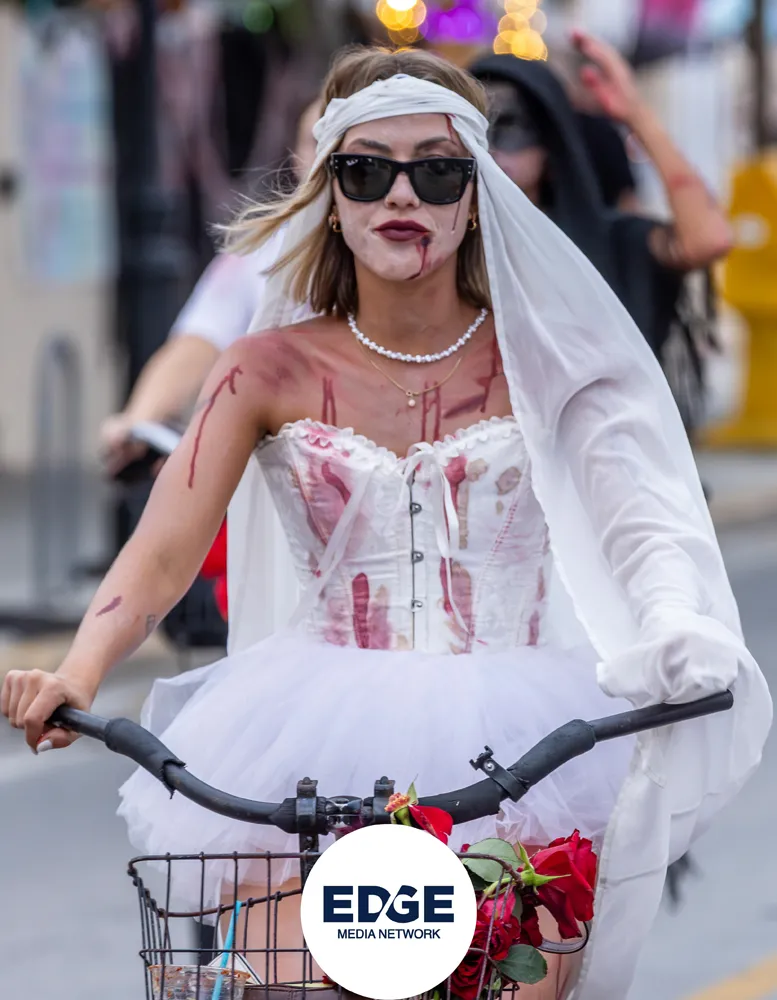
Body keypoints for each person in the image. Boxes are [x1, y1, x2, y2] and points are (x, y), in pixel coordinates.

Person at [2, 46, 769, 1000]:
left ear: (475, 195)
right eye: (366, 171)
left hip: (520, 752)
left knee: (515, 983)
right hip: (306, 744)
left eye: (437, 172)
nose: (401, 195)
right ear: (331, 195)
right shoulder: (261, 369)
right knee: (280, 984)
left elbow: (640, 521)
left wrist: (676, 625)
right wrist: (75, 673)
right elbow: (161, 556)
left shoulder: (551, 359)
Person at [470, 31, 732, 414]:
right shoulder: (448, 254)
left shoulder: (609, 243)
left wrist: (637, 114)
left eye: (512, 125)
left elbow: (707, 239)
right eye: (477, 128)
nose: (493, 148)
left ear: (551, 142)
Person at [100, 95, 321, 479]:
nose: (325, 157)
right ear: (296, 158)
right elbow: (199, 340)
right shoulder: (261, 252)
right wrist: (140, 419)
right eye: (315, 141)